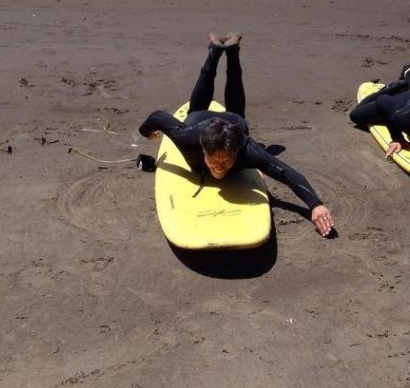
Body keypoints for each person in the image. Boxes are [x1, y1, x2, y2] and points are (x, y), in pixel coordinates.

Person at [139, 32, 335, 237]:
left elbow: (287, 174)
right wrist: (146, 132)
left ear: (236, 153)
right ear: (204, 150)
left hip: (234, 124)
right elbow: (157, 117)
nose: (219, 168)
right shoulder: (189, 139)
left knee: (236, 115)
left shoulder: (248, 150)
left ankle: (231, 53)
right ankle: (215, 52)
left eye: (226, 161)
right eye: (214, 161)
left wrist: (315, 205)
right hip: (199, 120)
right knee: (195, 110)